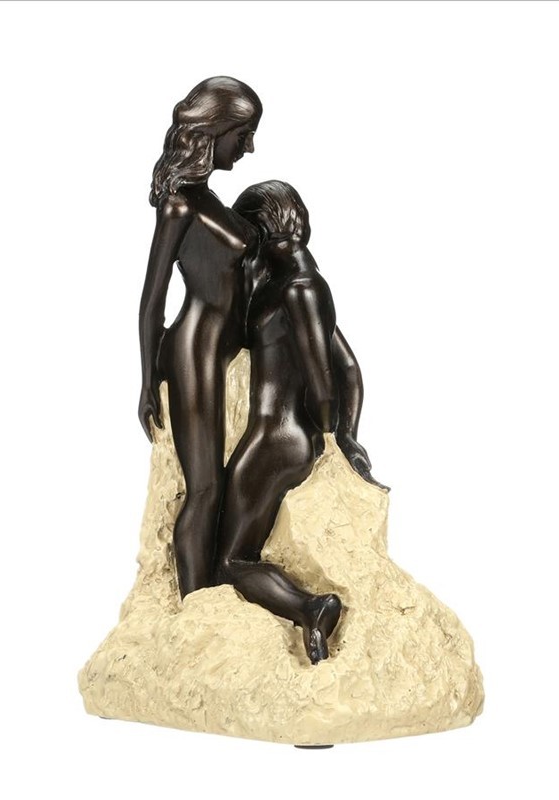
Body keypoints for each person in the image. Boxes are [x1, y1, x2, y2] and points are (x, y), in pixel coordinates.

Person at [215, 180, 384, 664]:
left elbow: (325, 381)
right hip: (283, 437)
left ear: (260, 232)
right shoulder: (299, 283)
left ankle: (311, 608)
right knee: (232, 553)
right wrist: (345, 431)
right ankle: (307, 607)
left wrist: (333, 436)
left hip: (276, 439)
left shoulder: (299, 288)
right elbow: (349, 367)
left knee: (230, 561)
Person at [139, 77, 263, 597]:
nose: (249, 147)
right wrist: (148, 380)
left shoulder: (208, 199)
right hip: (196, 353)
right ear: (215, 131)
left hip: (224, 352)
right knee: (205, 487)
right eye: (244, 135)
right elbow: (153, 299)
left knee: (221, 487)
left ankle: (221, 585)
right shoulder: (180, 207)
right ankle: (195, 603)